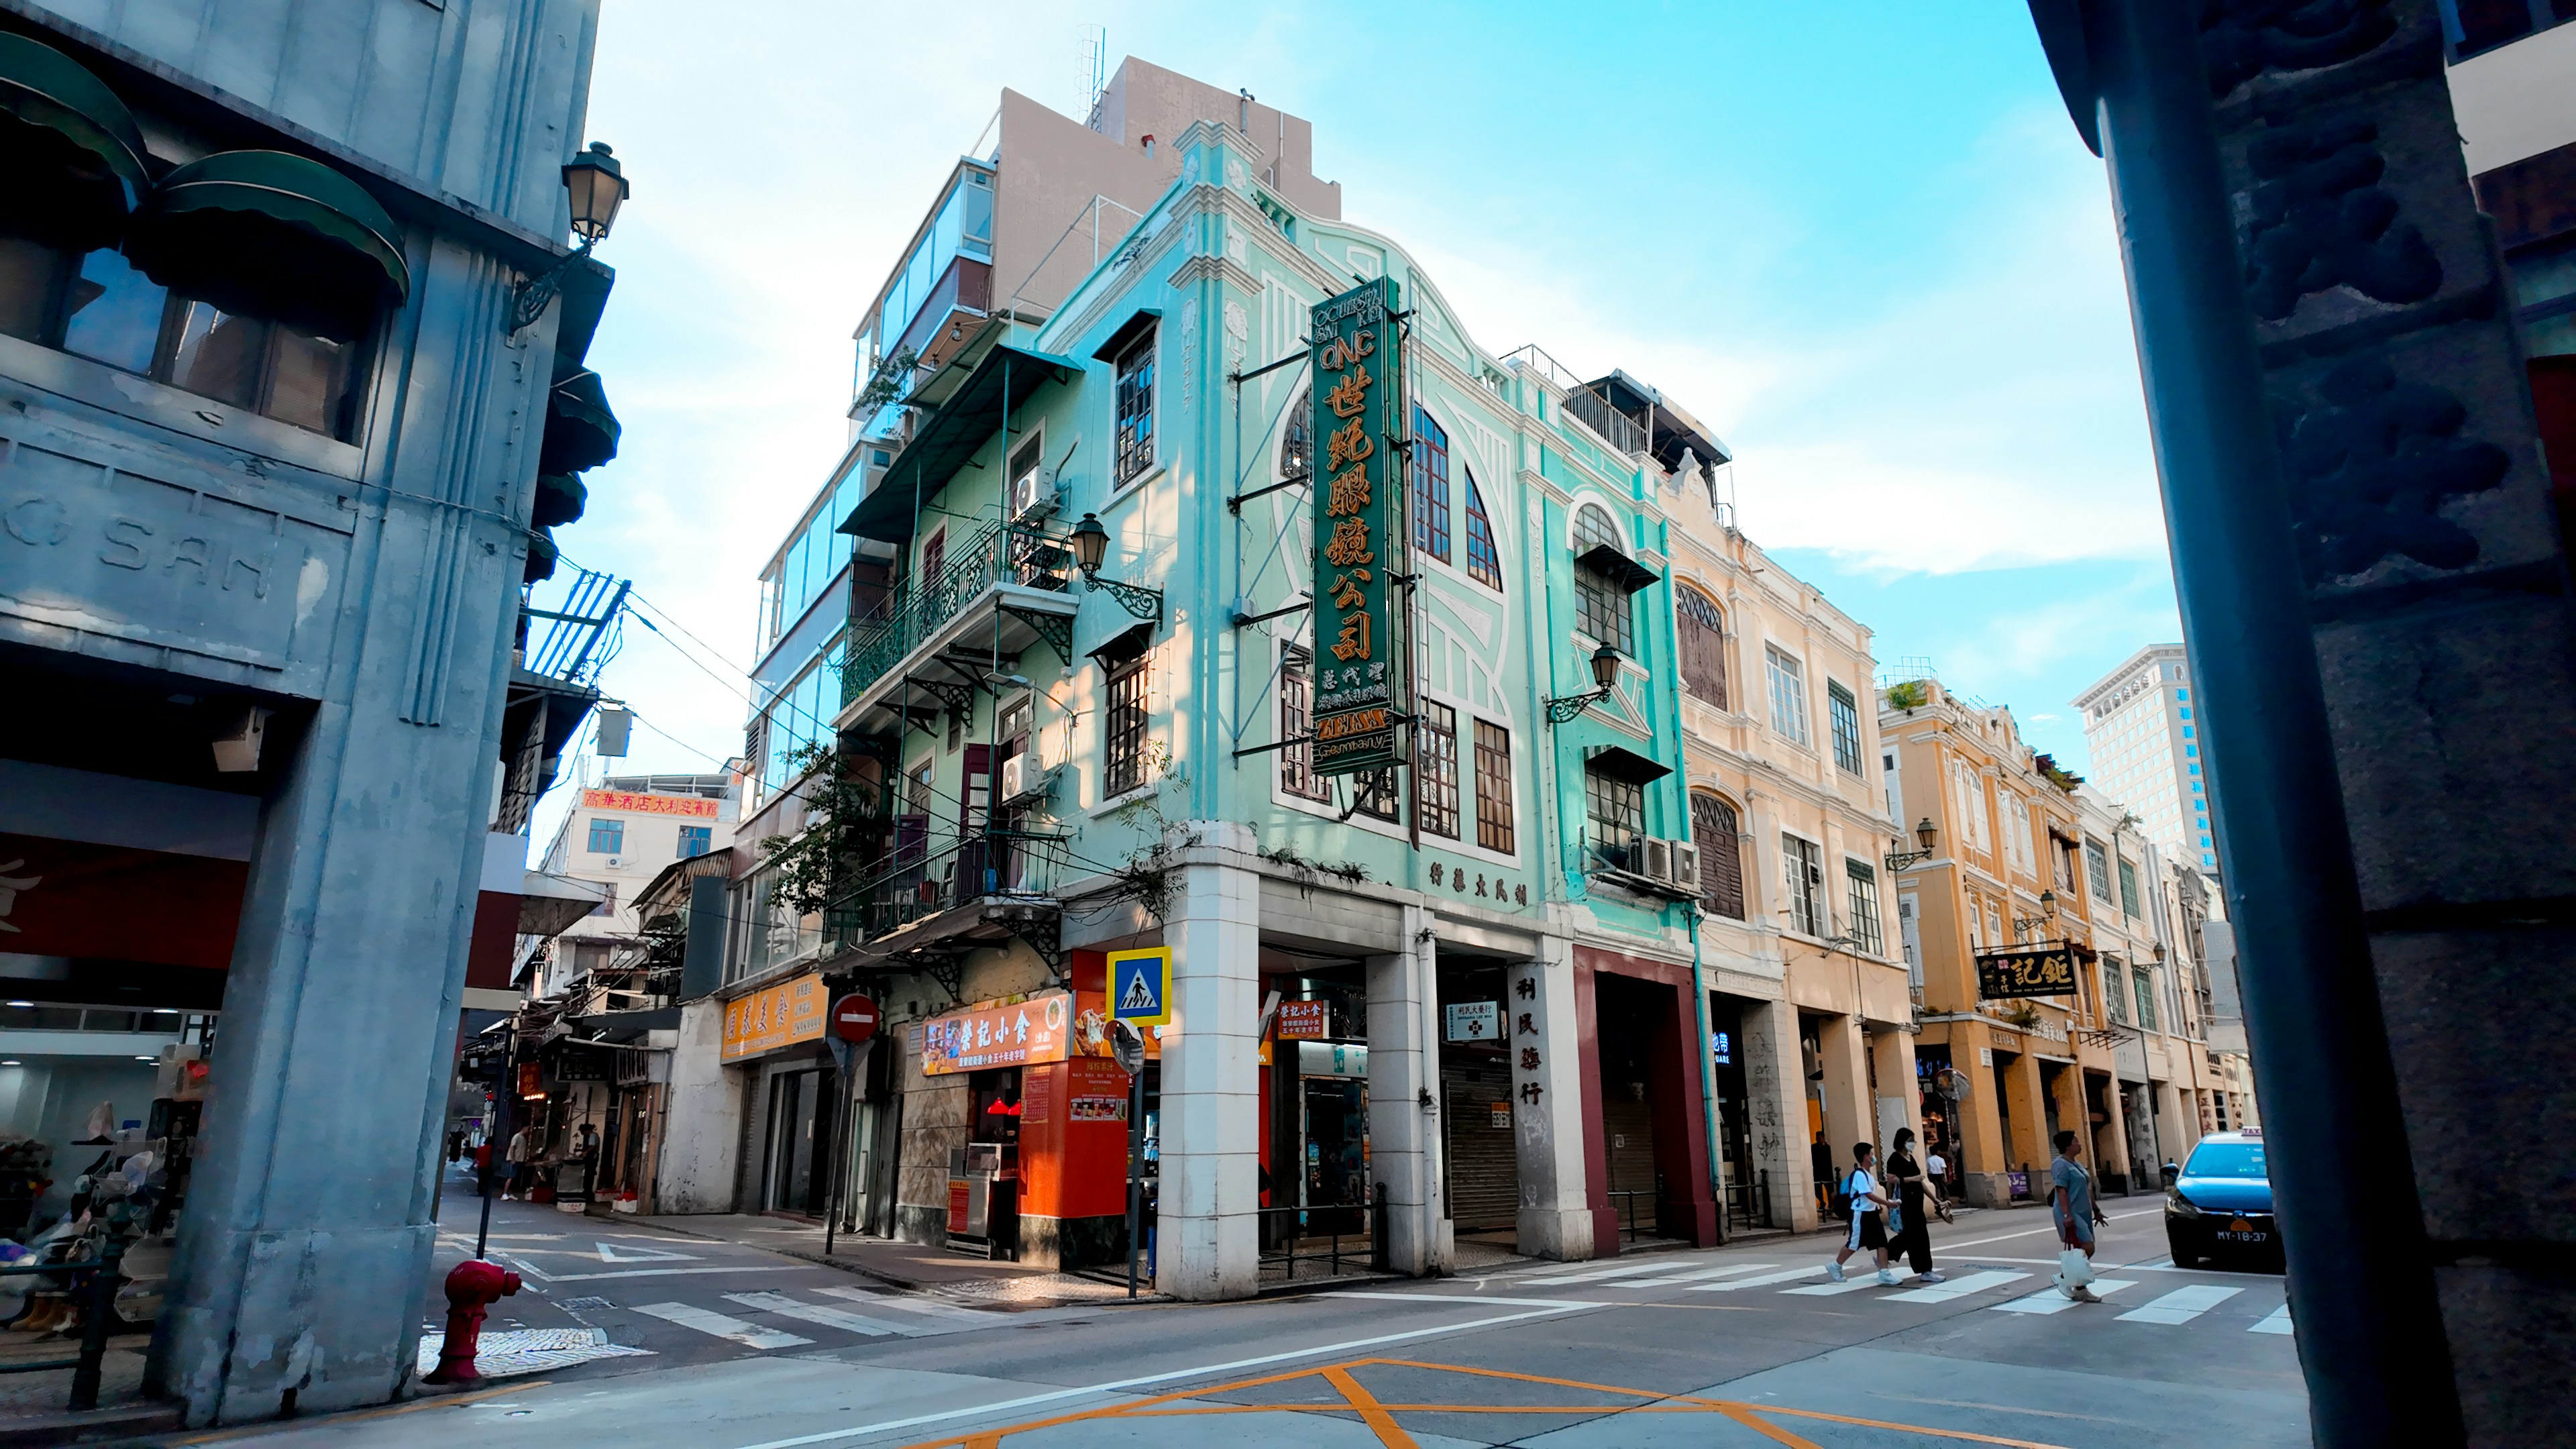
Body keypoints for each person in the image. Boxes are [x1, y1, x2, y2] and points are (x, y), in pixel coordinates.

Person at [1827, 1140, 1898, 1285]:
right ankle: (1835, 1266)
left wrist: (1877, 1206)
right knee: (1854, 1243)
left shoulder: (1868, 1175)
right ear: (1866, 1156)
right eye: (1871, 1154)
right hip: (1860, 1214)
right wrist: (1887, 1203)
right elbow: (1868, 1195)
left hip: (1870, 1213)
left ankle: (1884, 1273)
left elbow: (1869, 1195)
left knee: (1882, 1242)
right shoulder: (1860, 1175)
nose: (1873, 1157)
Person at [1884, 1129, 1943, 1284]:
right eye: (1911, 1140)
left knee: (1917, 1236)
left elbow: (1921, 1183)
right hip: (1905, 1203)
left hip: (1917, 1203)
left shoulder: (1911, 1158)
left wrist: (1935, 1200)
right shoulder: (1895, 1158)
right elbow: (1891, 1180)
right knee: (1913, 1236)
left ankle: (1888, 1256)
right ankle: (1924, 1270)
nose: (1913, 1143)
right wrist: (1890, 1202)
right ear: (1903, 1141)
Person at [2050, 1129, 2102, 1302]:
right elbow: (2061, 1191)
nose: (2079, 1145)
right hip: (2071, 1212)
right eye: (2075, 1142)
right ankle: (2065, 1278)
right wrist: (2066, 1215)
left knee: (2082, 1251)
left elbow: (2086, 1189)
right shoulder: (2060, 1165)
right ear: (2067, 1146)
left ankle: (2079, 1288)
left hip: (2083, 1211)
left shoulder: (2076, 1164)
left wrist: (2096, 1210)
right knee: (2087, 1247)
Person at [503, 1122, 541, 1202]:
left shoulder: (523, 1138)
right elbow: (513, 1148)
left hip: (519, 1159)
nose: (528, 1130)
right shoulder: (517, 1137)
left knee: (513, 1177)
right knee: (511, 1177)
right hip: (515, 1160)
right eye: (528, 1128)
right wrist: (513, 1159)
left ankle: (509, 1193)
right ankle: (505, 1194)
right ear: (524, 1128)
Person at [1923, 1139, 1955, 1224]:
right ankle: (1946, 1199)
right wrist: (1945, 1177)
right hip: (1940, 1174)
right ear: (1937, 1151)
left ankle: (1938, 1201)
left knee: (1936, 1188)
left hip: (1932, 1175)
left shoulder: (1929, 1160)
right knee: (1943, 1188)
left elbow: (1927, 1169)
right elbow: (1943, 1169)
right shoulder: (1940, 1159)